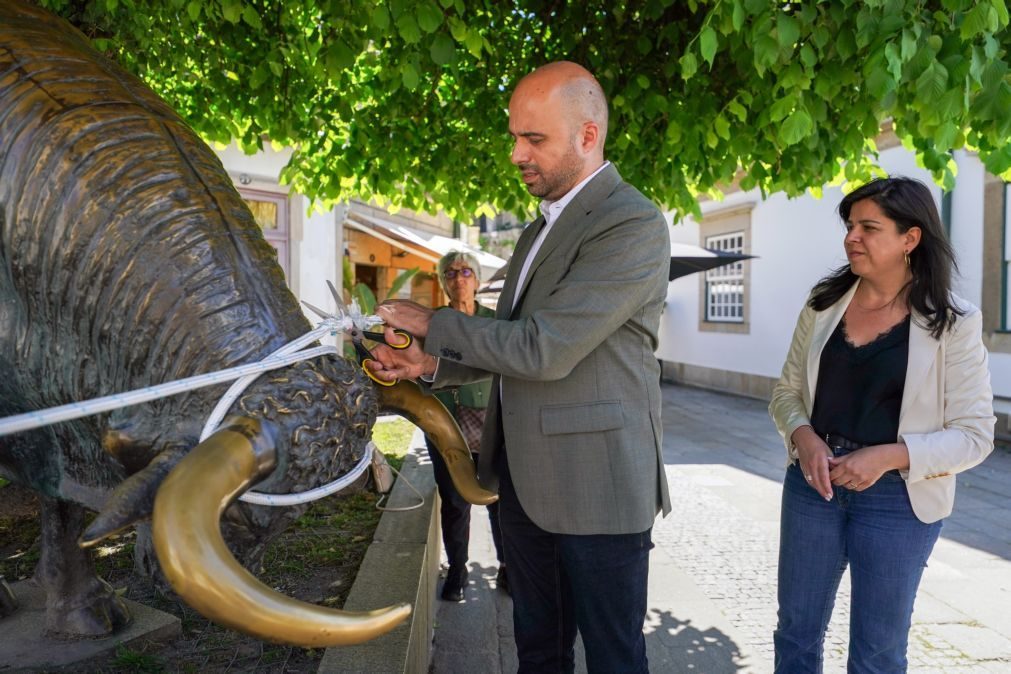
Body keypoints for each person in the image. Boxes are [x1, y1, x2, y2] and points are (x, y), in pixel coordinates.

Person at [367, 61, 671, 672]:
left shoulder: (631, 222)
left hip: (598, 490)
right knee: (537, 652)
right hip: (524, 488)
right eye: (514, 136)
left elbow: (544, 348)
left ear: (588, 136)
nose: (515, 154)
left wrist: (431, 322)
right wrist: (426, 364)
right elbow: (507, 346)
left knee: (615, 659)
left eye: (534, 139)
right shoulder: (537, 231)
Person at [769, 177, 995, 672]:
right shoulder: (823, 304)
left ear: (910, 239)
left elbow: (976, 434)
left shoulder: (954, 321)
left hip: (899, 500)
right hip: (813, 485)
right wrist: (802, 438)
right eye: (851, 226)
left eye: (869, 227)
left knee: (877, 653)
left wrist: (891, 455)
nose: (852, 237)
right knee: (796, 635)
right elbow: (786, 393)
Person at [426, 250, 507, 601]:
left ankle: (508, 568)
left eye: (466, 272)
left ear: (477, 279)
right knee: (455, 503)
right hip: (447, 426)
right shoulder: (433, 323)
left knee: (498, 500)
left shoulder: (494, 320)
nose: (459, 278)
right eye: (451, 273)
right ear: (443, 282)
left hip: (491, 425)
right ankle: (457, 572)